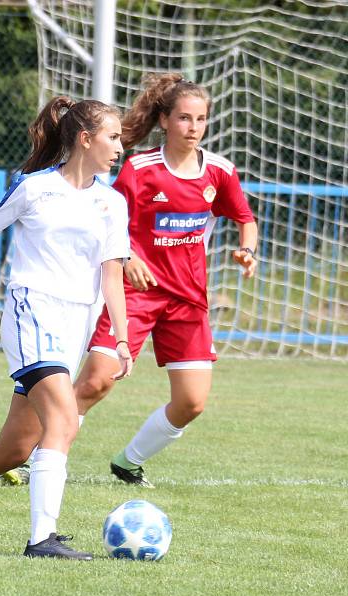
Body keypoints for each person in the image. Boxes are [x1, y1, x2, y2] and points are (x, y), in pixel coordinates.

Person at [0, 97, 133, 560]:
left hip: (76, 323)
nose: (120, 145)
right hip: (31, 310)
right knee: (64, 419)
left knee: (14, 448)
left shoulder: (112, 202)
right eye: (113, 136)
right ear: (85, 139)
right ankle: (41, 540)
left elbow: (113, 272)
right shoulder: (33, 188)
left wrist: (122, 337)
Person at [74, 73, 258, 488]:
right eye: (184, 119)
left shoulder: (220, 173)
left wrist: (248, 251)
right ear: (164, 121)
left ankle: (129, 461)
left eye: (201, 119)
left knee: (192, 402)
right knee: (95, 382)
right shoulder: (140, 169)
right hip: (134, 294)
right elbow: (106, 221)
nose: (193, 128)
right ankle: (33, 453)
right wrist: (130, 255)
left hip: (188, 301)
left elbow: (245, 218)